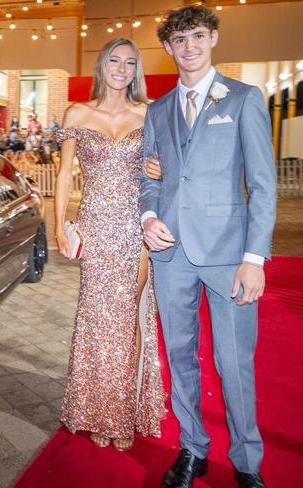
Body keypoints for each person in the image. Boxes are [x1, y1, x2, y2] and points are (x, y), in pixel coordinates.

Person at [140, 7, 276, 488]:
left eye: (198, 36)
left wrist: (254, 258)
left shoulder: (243, 99)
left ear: (213, 38)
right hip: (170, 255)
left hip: (229, 256)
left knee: (233, 362)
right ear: (169, 48)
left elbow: (262, 185)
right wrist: (148, 216)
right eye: (180, 39)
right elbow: (148, 178)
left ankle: (246, 463)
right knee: (179, 356)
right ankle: (192, 448)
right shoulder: (156, 111)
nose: (190, 47)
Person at [54, 38, 165, 452]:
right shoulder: (78, 113)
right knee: (99, 319)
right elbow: (65, 174)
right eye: (115, 60)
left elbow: (163, 166)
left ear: (137, 70)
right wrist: (60, 228)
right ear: (102, 66)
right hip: (97, 226)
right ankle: (98, 408)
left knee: (128, 314)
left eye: (130, 62)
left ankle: (123, 413)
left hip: (136, 227)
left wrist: (159, 167)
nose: (122, 68)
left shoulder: (149, 113)